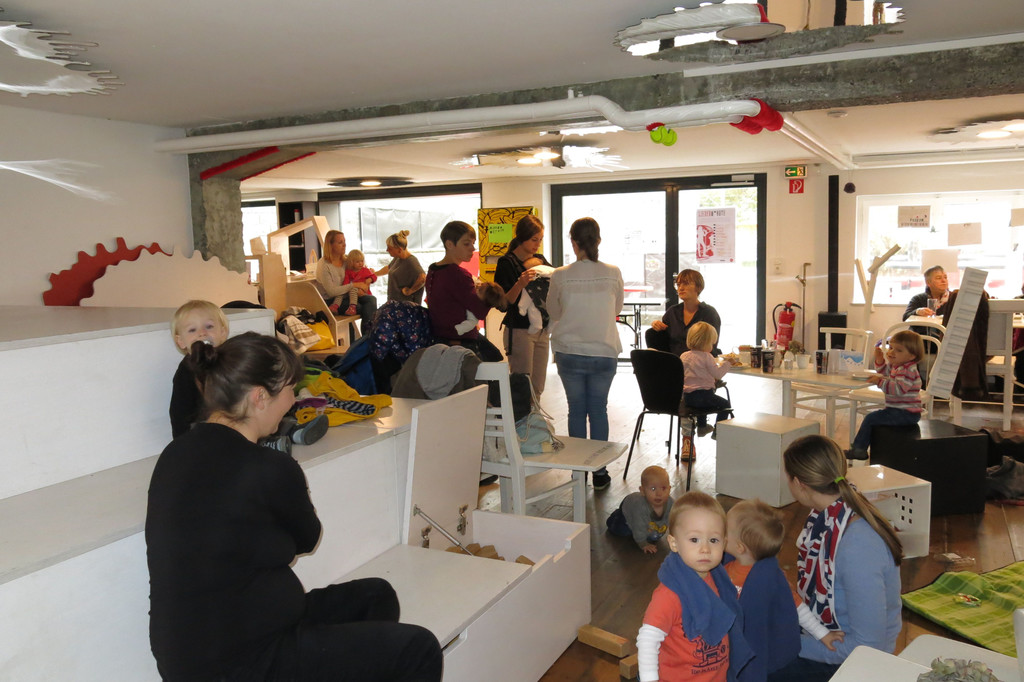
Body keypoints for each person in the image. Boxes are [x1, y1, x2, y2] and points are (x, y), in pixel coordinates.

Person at [147, 332, 443, 681]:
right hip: (244, 662)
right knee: (418, 648)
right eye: (290, 388)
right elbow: (306, 538)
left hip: (200, 651)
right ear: (259, 397)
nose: (294, 399)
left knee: (376, 595)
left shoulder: (174, 454)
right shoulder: (268, 467)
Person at [770, 435, 903, 682]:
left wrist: (787, 642)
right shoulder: (830, 516)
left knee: (751, 667)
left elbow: (868, 647)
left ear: (798, 483)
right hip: (829, 636)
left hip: (855, 661)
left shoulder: (857, 545)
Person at [168, 300, 327, 448]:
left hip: (246, 419)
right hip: (210, 431)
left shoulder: (234, 360)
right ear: (180, 341)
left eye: (209, 326)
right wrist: (182, 444)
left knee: (268, 416)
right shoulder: (186, 372)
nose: (202, 333)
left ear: (223, 331)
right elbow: (178, 412)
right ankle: (272, 443)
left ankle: (292, 432)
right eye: (192, 330)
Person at [636, 491, 754, 682]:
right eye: (694, 540)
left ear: (724, 543)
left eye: (713, 540)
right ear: (674, 543)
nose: (705, 549)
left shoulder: (719, 579)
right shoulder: (669, 594)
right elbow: (648, 639)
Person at [548, 217, 624, 490]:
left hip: (569, 351)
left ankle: (579, 471)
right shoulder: (613, 272)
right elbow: (616, 309)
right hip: (604, 350)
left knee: (576, 410)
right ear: (598, 241)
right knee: (598, 409)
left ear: (573, 241)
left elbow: (553, 312)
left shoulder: (560, 275)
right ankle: (600, 472)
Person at [723, 500, 811, 681]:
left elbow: (797, 606)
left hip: (763, 652)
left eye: (725, 529)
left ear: (739, 547)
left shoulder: (771, 578)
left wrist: (823, 635)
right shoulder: (725, 567)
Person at [424, 220, 504, 361]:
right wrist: (492, 294)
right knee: (495, 360)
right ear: (449, 244)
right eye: (466, 244)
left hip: (439, 338)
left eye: (473, 243)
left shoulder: (433, 270)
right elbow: (480, 311)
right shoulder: (457, 274)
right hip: (460, 342)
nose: (472, 248)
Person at [494, 215, 554, 395]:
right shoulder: (506, 263)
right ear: (522, 237)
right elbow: (503, 303)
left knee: (538, 386)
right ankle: (522, 414)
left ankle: (534, 414)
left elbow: (555, 280)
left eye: (540, 239)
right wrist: (520, 283)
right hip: (519, 330)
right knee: (522, 385)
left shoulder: (540, 259)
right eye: (534, 239)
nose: (538, 244)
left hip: (541, 329)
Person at [845, 329, 923, 460]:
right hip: (898, 410)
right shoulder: (898, 366)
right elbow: (884, 372)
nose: (892, 352)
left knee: (870, 418)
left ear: (911, 356)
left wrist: (879, 382)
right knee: (873, 418)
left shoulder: (908, 370)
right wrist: (880, 360)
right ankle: (861, 448)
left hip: (906, 413)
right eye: (891, 348)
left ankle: (859, 450)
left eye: (898, 350)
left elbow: (898, 390)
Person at [647, 269, 722, 357]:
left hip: (700, 362)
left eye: (686, 284)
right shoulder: (672, 312)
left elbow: (711, 346)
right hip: (674, 362)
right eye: (678, 285)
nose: (681, 288)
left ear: (698, 287)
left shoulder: (709, 313)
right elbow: (662, 339)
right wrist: (656, 325)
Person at [681, 322, 737, 438]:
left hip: (687, 397)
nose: (712, 346)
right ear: (706, 342)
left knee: (701, 406)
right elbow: (718, 374)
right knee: (725, 405)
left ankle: (702, 427)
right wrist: (728, 363)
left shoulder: (684, 356)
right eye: (712, 343)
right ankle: (717, 432)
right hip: (704, 396)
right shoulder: (707, 356)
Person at [315, 229, 377, 334]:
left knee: (371, 300)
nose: (344, 245)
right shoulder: (324, 265)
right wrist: (355, 285)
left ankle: (369, 336)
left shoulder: (347, 260)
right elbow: (331, 292)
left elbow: (362, 272)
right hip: (332, 300)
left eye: (344, 241)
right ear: (331, 245)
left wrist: (363, 286)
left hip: (348, 295)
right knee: (360, 307)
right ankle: (367, 337)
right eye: (340, 242)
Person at [606, 465, 674, 554]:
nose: (659, 493)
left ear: (669, 489)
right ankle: (615, 516)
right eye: (653, 489)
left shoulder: (671, 504)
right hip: (629, 508)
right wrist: (643, 543)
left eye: (663, 488)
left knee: (650, 534)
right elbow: (638, 527)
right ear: (642, 491)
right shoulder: (640, 508)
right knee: (622, 531)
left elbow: (677, 522)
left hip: (645, 521)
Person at [377, 229, 426, 305]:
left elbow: (422, 278)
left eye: (390, 248)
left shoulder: (411, 261)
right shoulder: (398, 258)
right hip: (395, 303)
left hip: (405, 306)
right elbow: (389, 268)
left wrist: (410, 291)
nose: (387, 250)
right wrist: (373, 274)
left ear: (399, 250)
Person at [339, 249, 383, 316]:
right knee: (353, 289)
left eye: (362, 261)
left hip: (364, 294)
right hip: (353, 295)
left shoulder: (365, 270)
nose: (360, 263)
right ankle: (352, 307)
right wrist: (353, 286)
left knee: (371, 301)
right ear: (351, 262)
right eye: (357, 262)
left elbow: (374, 276)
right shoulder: (348, 272)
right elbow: (346, 284)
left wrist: (370, 279)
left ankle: (371, 321)